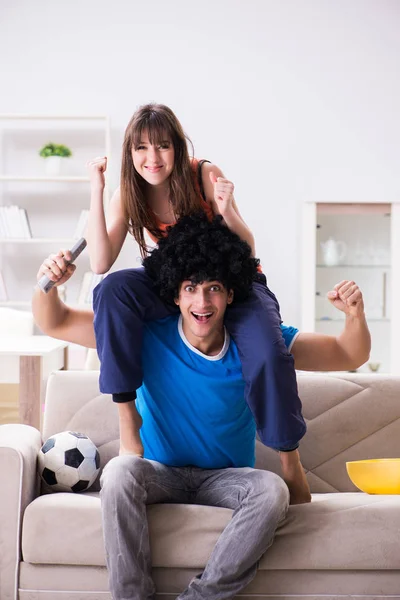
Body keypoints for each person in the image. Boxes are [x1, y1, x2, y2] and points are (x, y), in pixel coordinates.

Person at [33, 213, 370, 600]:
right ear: (175, 295)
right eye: (191, 288)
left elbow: (349, 353)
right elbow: (56, 322)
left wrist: (355, 317)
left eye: (213, 288)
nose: (202, 301)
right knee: (120, 471)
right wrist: (48, 286)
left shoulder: (261, 344)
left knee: (271, 490)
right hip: (159, 472)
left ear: (230, 295)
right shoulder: (144, 333)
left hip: (227, 478)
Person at [87, 102, 306, 458]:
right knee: (112, 290)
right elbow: (100, 262)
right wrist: (96, 189)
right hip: (180, 284)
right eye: (141, 147)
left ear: (177, 146)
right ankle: (129, 421)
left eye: (162, 145)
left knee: (267, 350)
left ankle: (289, 457)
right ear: (130, 153)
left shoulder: (203, 174)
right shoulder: (128, 193)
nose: (152, 157)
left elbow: (247, 247)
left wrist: (226, 208)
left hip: (232, 280)